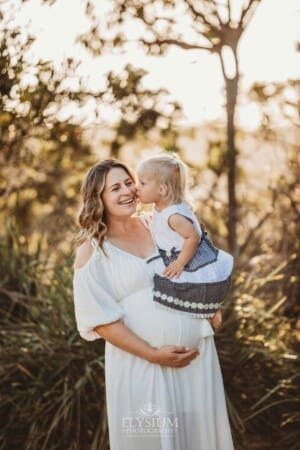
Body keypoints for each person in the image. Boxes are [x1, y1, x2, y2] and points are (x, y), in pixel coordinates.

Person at [73, 158, 235, 450]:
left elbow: (197, 263)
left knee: (199, 439)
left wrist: (208, 301)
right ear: (98, 198)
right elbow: (100, 319)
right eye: (114, 188)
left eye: (128, 182)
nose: (127, 191)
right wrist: (152, 354)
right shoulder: (92, 250)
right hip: (141, 364)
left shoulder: (157, 224)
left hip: (195, 360)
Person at [136, 153, 234, 329]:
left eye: (142, 183)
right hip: (175, 254)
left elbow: (193, 237)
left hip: (188, 258)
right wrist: (150, 219)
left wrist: (180, 263)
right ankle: (205, 313)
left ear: (162, 190)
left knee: (193, 289)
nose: (137, 187)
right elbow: (162, 225)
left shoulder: (174, 216)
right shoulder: (161, 206)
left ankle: (210, 312)